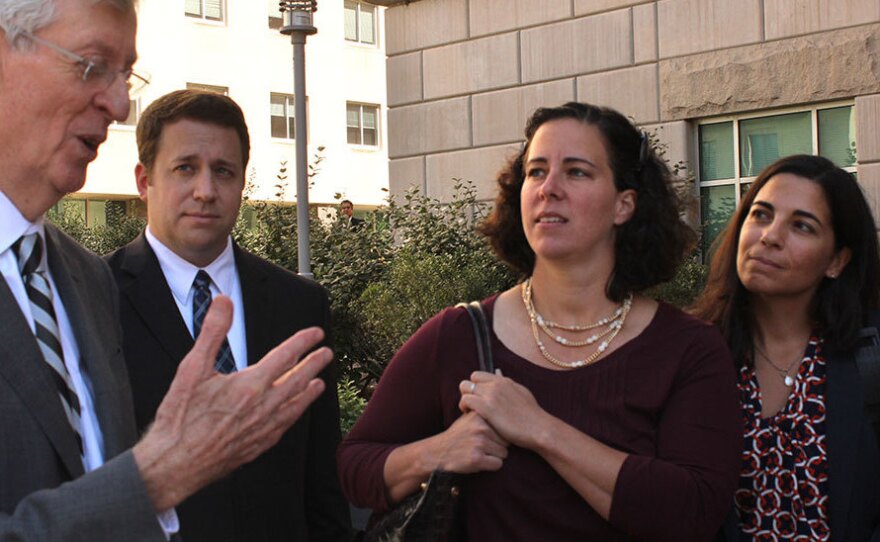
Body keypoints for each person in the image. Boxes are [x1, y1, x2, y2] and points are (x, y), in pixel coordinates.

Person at [0, 1, 332, 540]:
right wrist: (154, 477)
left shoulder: (81, 279)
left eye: (125, 73)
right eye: (91, 64)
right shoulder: (112, 281)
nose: (118, 103)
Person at [338, 102, 743, 541]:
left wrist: (538, 429)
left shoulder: (687, 349)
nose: (549, 188)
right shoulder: (457, 336)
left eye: (577, 172)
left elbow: (694, 512)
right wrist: (435, 452)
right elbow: (354, 465)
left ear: (624, 205)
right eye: (536, 171)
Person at [105, 89, 351, 542]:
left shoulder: (300, 305)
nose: (205, 190)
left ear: (241, 183)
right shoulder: (96, 299)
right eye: (185, 168)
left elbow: (321, 485)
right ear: (144, 181)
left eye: (223, 171)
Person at [690, 154, 880, 541]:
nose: (770, 236)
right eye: (760, 215)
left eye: (802, 226)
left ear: (837, 261)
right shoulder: (691, 353)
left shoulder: (869, 356)